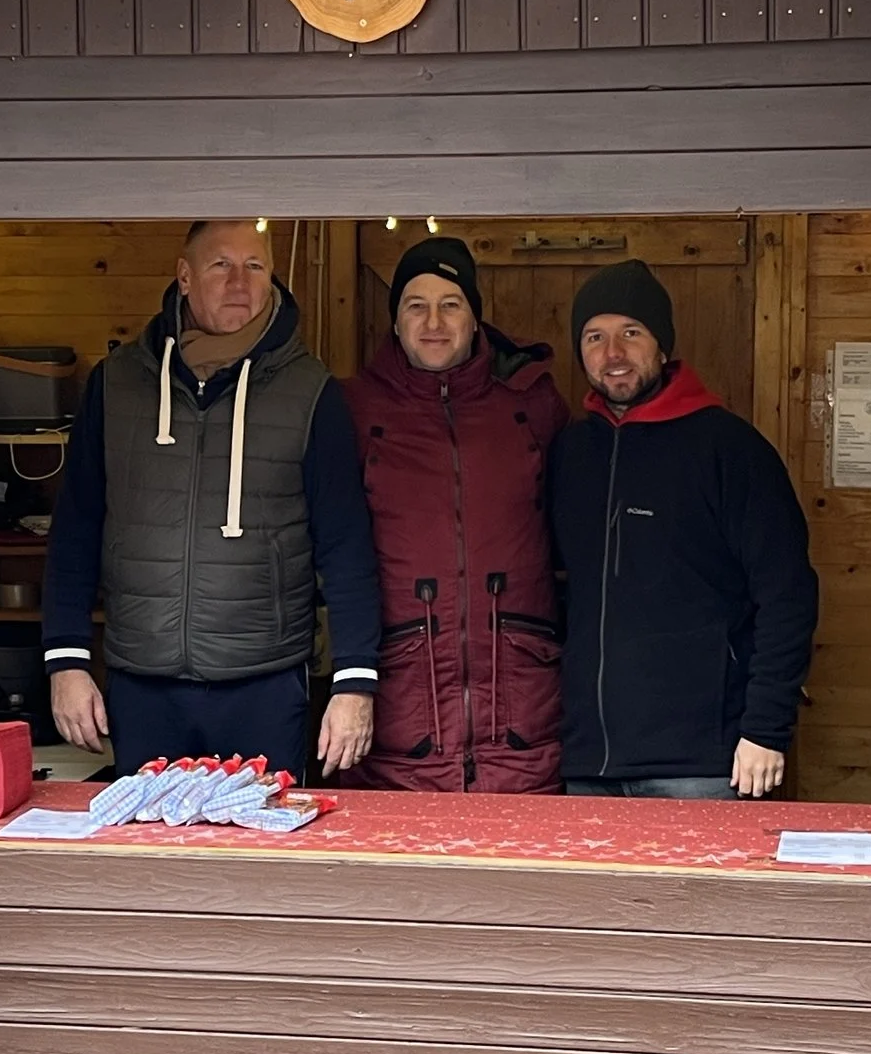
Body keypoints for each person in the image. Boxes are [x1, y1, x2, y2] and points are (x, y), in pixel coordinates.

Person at [45, 218, 380, 776]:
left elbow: (345, 545)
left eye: (255, 267)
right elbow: (76, 529)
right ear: (184, 276)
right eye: (221, 265)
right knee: (148, 854)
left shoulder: (310, 391)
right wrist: (66, 660)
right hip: (143, 684)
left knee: (262, 856)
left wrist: (354, 681)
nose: (239, 283)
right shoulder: (118, 384)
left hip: (264, 685)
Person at [546, 260, 819, 798]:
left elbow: (788, 594)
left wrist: (765, 726)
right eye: (595, 337)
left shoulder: (729, 450)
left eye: (631, 333)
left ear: (662, 345)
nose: (613, 353)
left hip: (703, 761)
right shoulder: (571, 454)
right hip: (589, 761)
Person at [345, 236, 571, 791]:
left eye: (451, 304)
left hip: (522, 716)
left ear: (475, 320)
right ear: (395, 323)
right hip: (403, 720)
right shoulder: (353, 407)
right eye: (415, 305)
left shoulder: (532, 405)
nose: (434, 321)